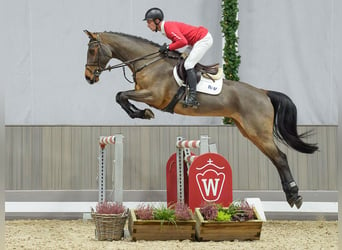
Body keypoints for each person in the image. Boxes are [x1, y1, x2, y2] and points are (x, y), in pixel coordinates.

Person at [143, 7, 213, 108]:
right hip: (193, 42)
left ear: (157, 21)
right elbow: (181, 40)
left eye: (149, 22)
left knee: (188, 64)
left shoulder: (167, 27)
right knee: (181, 60)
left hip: (203, 39)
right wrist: (169, 47)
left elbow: (182, 42)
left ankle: (193, 97)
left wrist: (168, 47)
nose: (148, 25)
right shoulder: (165, 28)